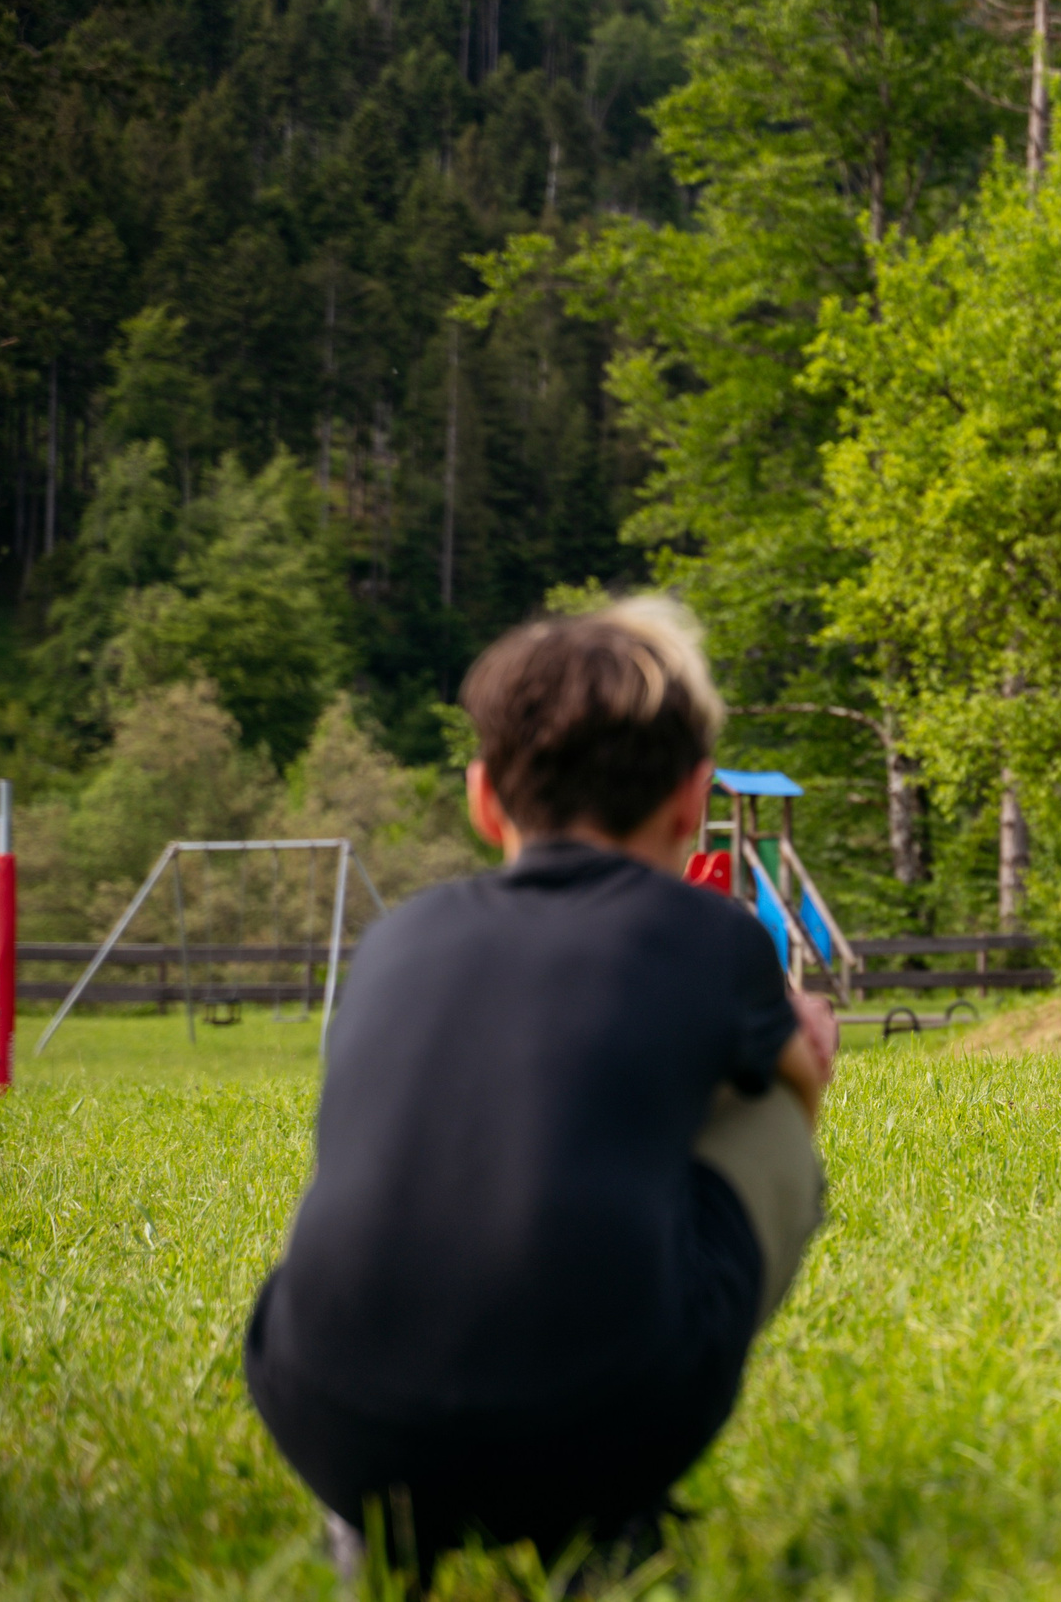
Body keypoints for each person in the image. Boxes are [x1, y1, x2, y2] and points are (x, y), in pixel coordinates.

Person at [244, 596, 837, 1579]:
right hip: (601, 1429)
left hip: (327, 1422)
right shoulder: (713, 935)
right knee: (768, 1106)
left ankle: (380, 1523)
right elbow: (785, 1104)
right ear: (692, 804)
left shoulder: (397, 937)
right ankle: (609, 1511)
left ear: (484, 802)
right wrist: (804, 1055)